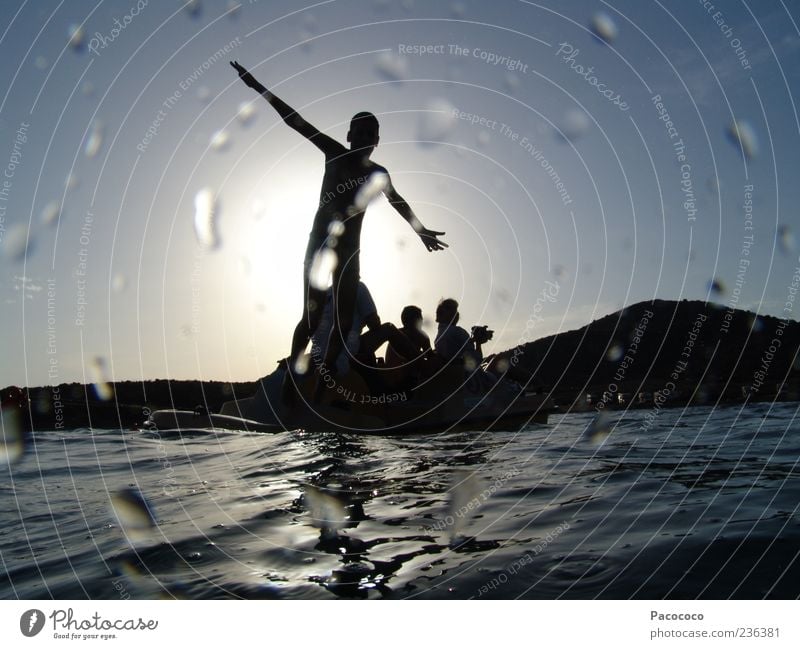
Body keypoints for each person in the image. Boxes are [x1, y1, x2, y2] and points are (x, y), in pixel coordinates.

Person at [230, 61, 448, 401]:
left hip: (350, 253)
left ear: (376, 140)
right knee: (312, 319)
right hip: (319, 246)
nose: (361, 138)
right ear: (348, 136)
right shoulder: (334, 153)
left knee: (345, 323)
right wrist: (258, 87)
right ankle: (292, 372)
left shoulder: (380, 173)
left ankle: (326, 378)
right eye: (356, 132)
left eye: (368, 133)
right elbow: (295, 121)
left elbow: (397, 201)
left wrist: (420, 231)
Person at [310, 281, 420, 375]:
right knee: (388, 328)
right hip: (341, 356)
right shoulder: (357, 286)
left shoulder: (324, 295)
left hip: (316, 356)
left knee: (365, 350)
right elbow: (374, 324)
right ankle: (422, 365)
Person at [434, 298, 492, 369]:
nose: (457, 314)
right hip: (465, 376)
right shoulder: (458, 332)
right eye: (455, 311)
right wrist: (478, 343)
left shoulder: (438, 337)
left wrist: (473, 340)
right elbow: (477, 360)